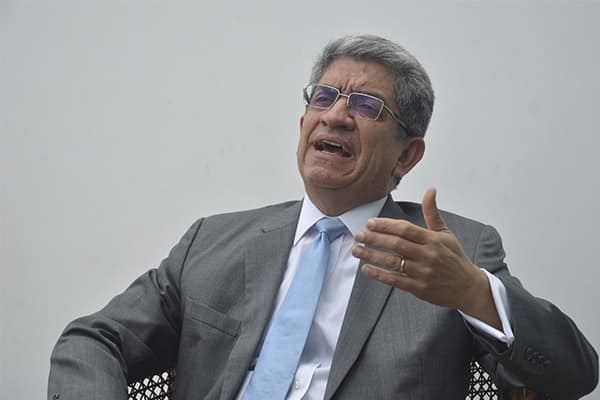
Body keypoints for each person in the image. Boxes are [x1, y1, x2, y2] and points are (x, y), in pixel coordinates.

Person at [48, 34, 598, 400]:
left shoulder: (452, 252)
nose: (336, 115)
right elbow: (95, 338)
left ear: (407, 156)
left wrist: (474, 292)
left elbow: (573, 375)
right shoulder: (212, 241)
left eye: (366, 106)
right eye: (325, 96)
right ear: (302, 124)